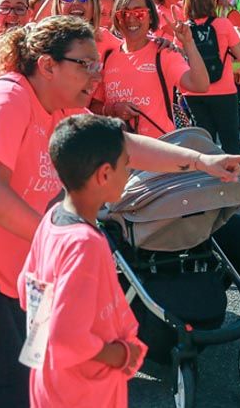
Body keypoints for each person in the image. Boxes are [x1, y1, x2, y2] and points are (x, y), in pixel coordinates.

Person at [0, 15, 240, 408]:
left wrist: (200, 161)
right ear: (47, 64)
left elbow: (123, 145)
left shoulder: (63, 109)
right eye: (84, 63)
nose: (95, 73)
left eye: (96, 63)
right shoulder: (5, 99)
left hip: (20, 268)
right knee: (12, 391)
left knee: (16, 375)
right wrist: (61, 244)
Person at [18, 115, 145, 408]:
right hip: (84, 391)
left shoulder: (51, 219)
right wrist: (123, 354)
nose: (129, 172)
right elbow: (68, 338)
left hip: (51, 383)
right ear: (104, 174)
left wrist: (40, 370)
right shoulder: (85, 244)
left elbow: (27, 293)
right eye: (125, 164)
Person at [91, 0, 209, 137]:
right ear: (117, 19)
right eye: (124, 13)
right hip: (119, 153)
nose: (131, 19)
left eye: (139, 13)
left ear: (151, 17)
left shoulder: (163, 53)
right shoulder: (108, 57)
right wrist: (113, 109)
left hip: (160, 151)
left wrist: (189, 43)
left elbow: (200, 85)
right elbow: (93, 106)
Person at [181, 0, 240, 154]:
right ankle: (234, 177)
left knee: (204, 140)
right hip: (224, 90)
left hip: (194, 92)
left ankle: (207, 179)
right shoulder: (223, 24)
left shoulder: (183, 29)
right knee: (230, 139)